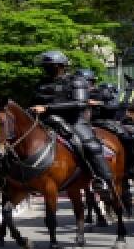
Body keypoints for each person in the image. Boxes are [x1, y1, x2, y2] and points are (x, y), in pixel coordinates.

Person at [30, 51, 115, 203]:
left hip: (73, 121)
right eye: (45, 66)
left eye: (49, 66)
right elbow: (33, 102)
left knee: (90, 145)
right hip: (45, 121)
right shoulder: (41, 83)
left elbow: (80, 104)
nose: (46, 69)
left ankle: (102, 179)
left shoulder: (76, 81)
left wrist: (48, 108)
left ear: (60, 66)